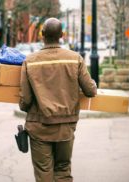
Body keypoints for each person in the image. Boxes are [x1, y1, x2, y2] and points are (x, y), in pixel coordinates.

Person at [19, 18, 97, 182]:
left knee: (44, 172)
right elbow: (90, 91)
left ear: (42, 35)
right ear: (61, 35)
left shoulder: (30, 61)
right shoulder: (75, 59)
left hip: (39, 127)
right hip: (65, 128)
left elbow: (25, 100)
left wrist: (26, 107)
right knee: (62, 170)